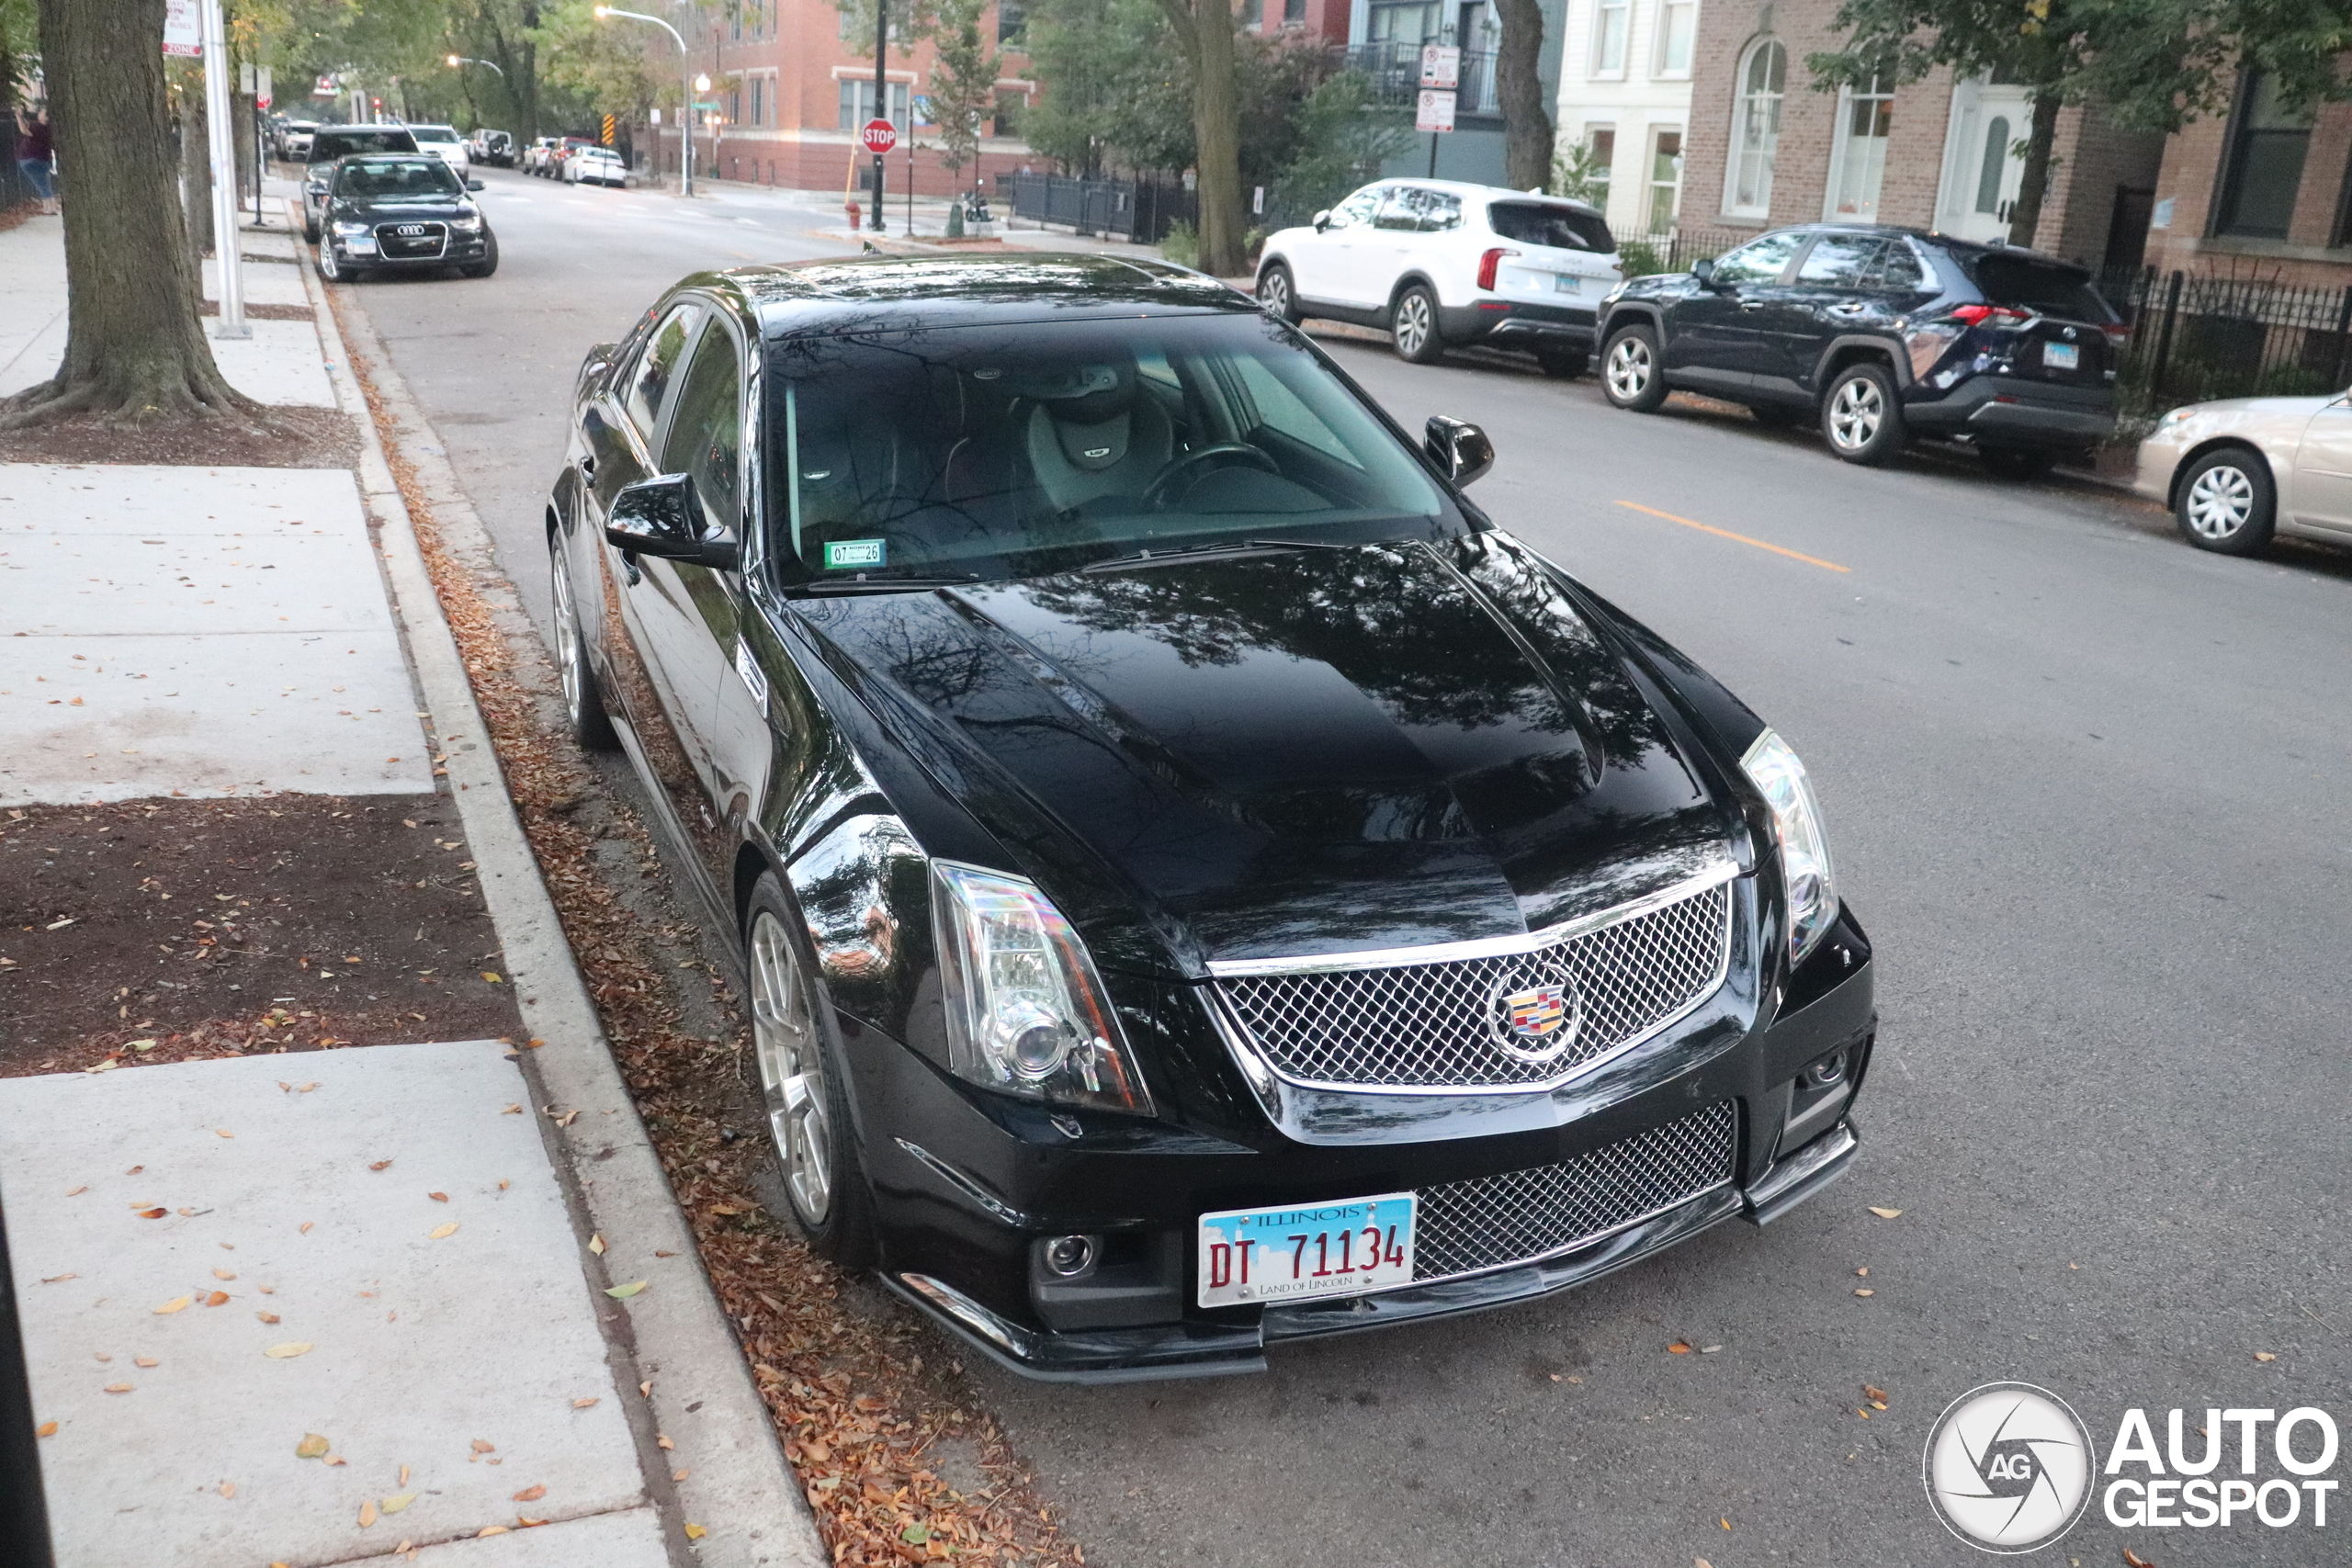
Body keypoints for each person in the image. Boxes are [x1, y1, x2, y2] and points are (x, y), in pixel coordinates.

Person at [15, 107, 55, 216]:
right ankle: (49, 206)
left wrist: (18, 117)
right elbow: (27, 124)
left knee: (40, 184)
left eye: (41, 112)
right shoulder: (49, 129)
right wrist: (22, 117)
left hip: (30, 158)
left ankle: (49, 208)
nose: (39, 113)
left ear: (45, 117)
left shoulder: (38, 126)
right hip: (45, 159)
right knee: (44, 183)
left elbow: (24, 129)